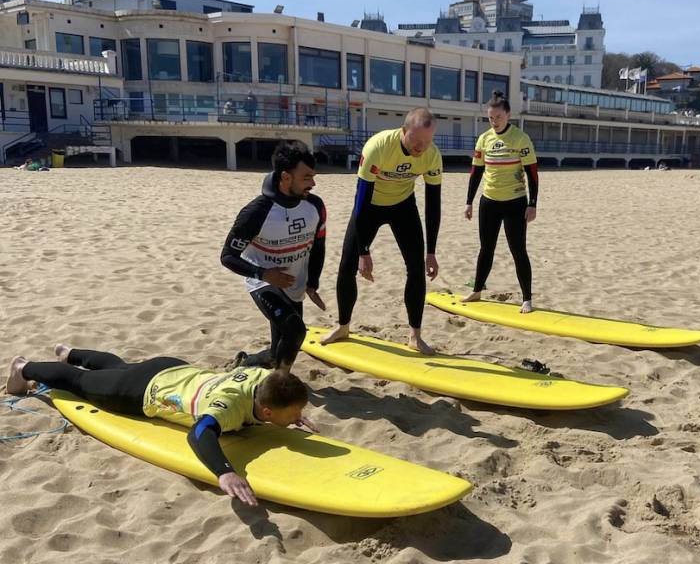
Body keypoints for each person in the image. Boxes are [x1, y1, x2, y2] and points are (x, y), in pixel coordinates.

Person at [6, 346, 314, 506]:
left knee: (120, 367)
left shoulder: (267, 380)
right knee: (81, 381)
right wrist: (225, 472)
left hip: (173, 367)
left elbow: (270, 381)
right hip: (144, 391)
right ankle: (24, 367)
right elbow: (199, 434)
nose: (299, 415)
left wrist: (291, 413)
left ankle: (70, 353)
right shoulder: (228, 407)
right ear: (267, 411)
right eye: (294, 412)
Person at [320, 108, 442, 354]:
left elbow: (433, 205)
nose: (421, 147)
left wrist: (431, 251)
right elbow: (362, 200)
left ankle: (414, 336)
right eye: (416, 140)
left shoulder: (432, 156)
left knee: (416, 268)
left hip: (403, 207)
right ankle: (343, 326)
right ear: (403, 131)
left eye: (427, 142)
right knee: (347, 265)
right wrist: (364, 250)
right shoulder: (378, 147)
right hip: (370, 207)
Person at [221, 140, 326, 371]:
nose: (313, 183)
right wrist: (264, 273)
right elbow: (228, 256)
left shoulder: (315, 207)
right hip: (263, 282)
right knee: (296, 330)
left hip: (294, 284)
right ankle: (280, 385)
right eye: (306, 177)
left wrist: (312, 283)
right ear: (286, 177)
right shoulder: (256, 212)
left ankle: (246, 363)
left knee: (280, 351)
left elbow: (318, 245)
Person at [462, 90, 538, 313]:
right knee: (486, 249)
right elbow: (476, 173)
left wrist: (532, 204)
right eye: (490, 118)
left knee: (518, 250)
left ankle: (527, 299)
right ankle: (476, 290)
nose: (494, 122)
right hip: (489, 202)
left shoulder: (520, 139)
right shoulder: (484, 139)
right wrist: (469, 202)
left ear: (508, 115)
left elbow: (532, 173)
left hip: (515, 203)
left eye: (498, 117)